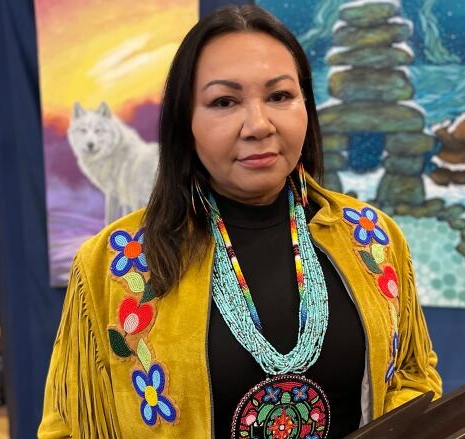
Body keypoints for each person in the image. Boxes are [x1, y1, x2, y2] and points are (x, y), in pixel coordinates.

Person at [38, 5, 441, 439]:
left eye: (280, 96)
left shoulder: (371, 237)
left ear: (306, 106)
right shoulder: (114, 264)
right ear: (185, 122)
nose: (259, 125)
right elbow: (73, 424)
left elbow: (411, 377)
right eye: (224, 101)